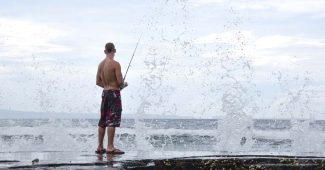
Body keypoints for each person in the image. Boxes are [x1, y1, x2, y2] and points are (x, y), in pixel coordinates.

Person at [95, 42, 126, 154]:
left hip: (105, 93)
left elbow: (98, 82)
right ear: (114, 50)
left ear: (105, 51)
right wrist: (122, 85)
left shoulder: (100, 64)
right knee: (112, 120)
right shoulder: (115, 64)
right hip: (114, 94)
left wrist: (107, 87)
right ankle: (110, 147)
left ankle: (99, 146)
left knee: (103, 120)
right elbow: (120, 82)